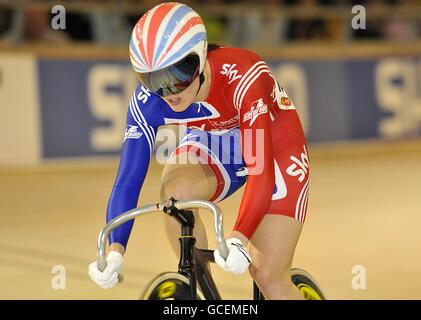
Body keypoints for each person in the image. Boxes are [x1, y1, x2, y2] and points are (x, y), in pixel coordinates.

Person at [89, 2, 310, 300]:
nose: (169, 92)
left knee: (268, 276)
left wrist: (239, 237)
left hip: (273, 141)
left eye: (179, 73)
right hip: (216, 138)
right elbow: (127, 181)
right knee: (174, 196)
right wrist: (115, 250)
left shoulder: (244, 75)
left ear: (201, 56)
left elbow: (259, 167)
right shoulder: (146, 101)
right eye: (152, 79)